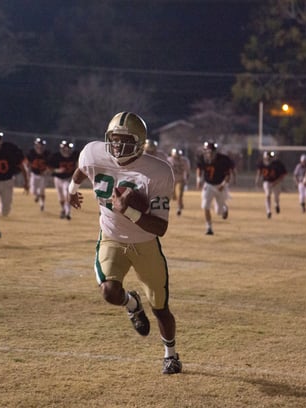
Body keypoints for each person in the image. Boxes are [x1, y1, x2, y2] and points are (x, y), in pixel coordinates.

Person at [67, 111, 182, 375]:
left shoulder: (158, 171)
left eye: (124, 140)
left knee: (161, 307)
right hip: (111, 237)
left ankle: (171, 354)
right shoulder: (93, 153)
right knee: (109, 291)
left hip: (145, 243)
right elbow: (83, 169)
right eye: (114, 139)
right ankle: (132, 304)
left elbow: (160, 227)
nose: (117, 146)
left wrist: (128, 211)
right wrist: (71, 190)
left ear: (139, 142)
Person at [196, 141, 234, 235]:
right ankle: (209, 227)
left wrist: (223, 185)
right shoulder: (202, 158)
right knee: (205, 206)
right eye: (207, 151)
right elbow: (199, 169)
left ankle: (224, 208)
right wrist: (198, 180)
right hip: (208, 184)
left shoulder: (223, 160)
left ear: (215, 152)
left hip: (220, 185)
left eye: (211, 152)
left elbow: (228, 175)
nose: (209, 154)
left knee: (219, 212)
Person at [47, 140, 78, 220]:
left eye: (68, 148)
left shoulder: (74, 156)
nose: (67, 150)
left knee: (67, 194)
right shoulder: (56, 156)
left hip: (68, 178)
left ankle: (68, 212)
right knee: (61, 198)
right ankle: (63, 209)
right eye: (65, 148)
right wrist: (57, 170)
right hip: (58, 178)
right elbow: (49, 168)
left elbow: (78, 165)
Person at [255, 151, 287, 218]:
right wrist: (257, 180)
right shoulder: (261, 163)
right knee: (267, 195)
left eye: (269, 158)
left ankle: (276, 204)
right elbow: (259, 172)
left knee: (276, 197)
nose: (268, 159)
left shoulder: (277, 164)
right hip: (267, 181)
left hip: (276, 181)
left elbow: (283, 174)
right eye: (267, 158)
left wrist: (276, 182)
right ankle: (268, 211)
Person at [25, 137, 50, 211]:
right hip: (34, 174)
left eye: (41, 146)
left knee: (42, 190)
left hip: (43, 175)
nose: (40, 148)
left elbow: (50, 166)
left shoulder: (47, 154)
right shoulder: (31, 153)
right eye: (38, 146)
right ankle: (38, 196)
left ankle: (42, 204)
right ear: (35, 146)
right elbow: (28, 164)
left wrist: (47, 171)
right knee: (33, 191)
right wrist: (28, 173)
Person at [167, 148, 191, 216]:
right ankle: (180, 204)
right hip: (172, 181)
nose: (177, 158)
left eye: (178, 156)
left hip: (181, 180)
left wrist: (186, 180)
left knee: (179, 195)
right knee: (173, 197)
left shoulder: (185, 161)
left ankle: (179, 209)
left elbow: (188, 171)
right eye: (176, 157)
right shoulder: (168, 160)